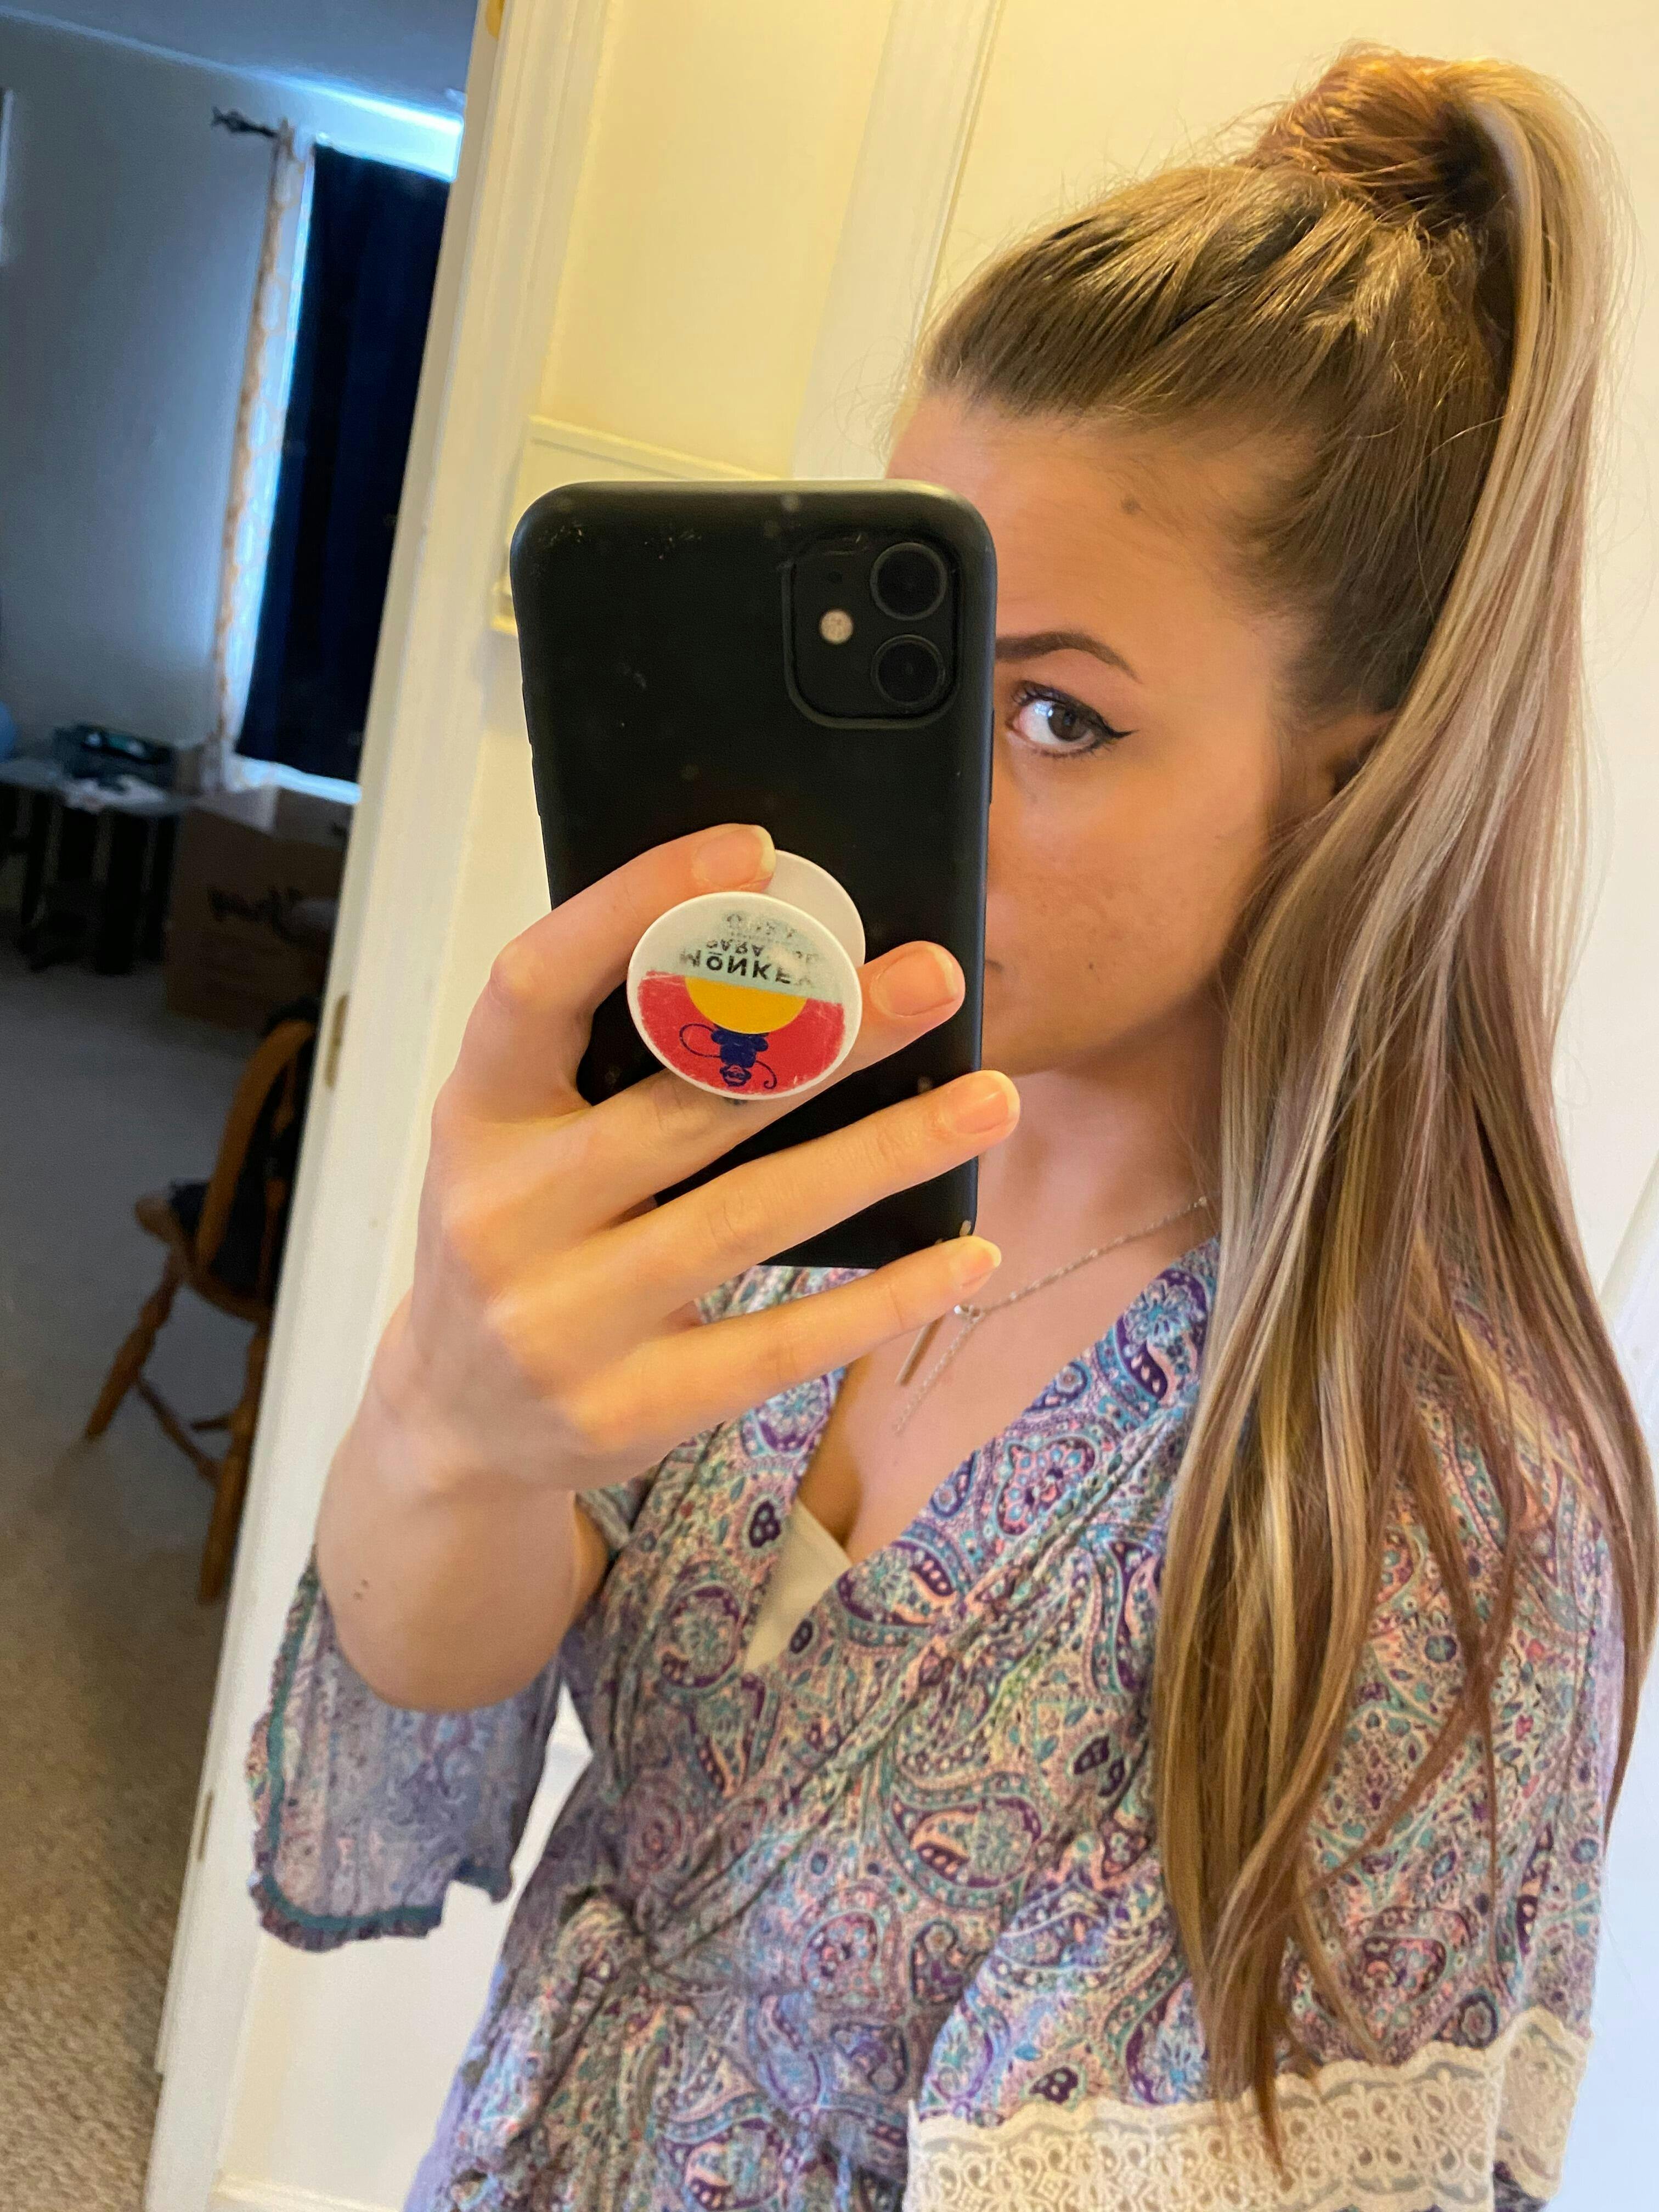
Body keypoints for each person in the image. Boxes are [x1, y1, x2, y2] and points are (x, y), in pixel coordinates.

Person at [245, 45, 1655, 2212]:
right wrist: (452, 1407)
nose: (916, 809)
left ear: (1350, 792)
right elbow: (440, 1684)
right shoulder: (793, 1137)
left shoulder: (1423, 1513)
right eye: (918, 685)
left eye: (1062, 715)